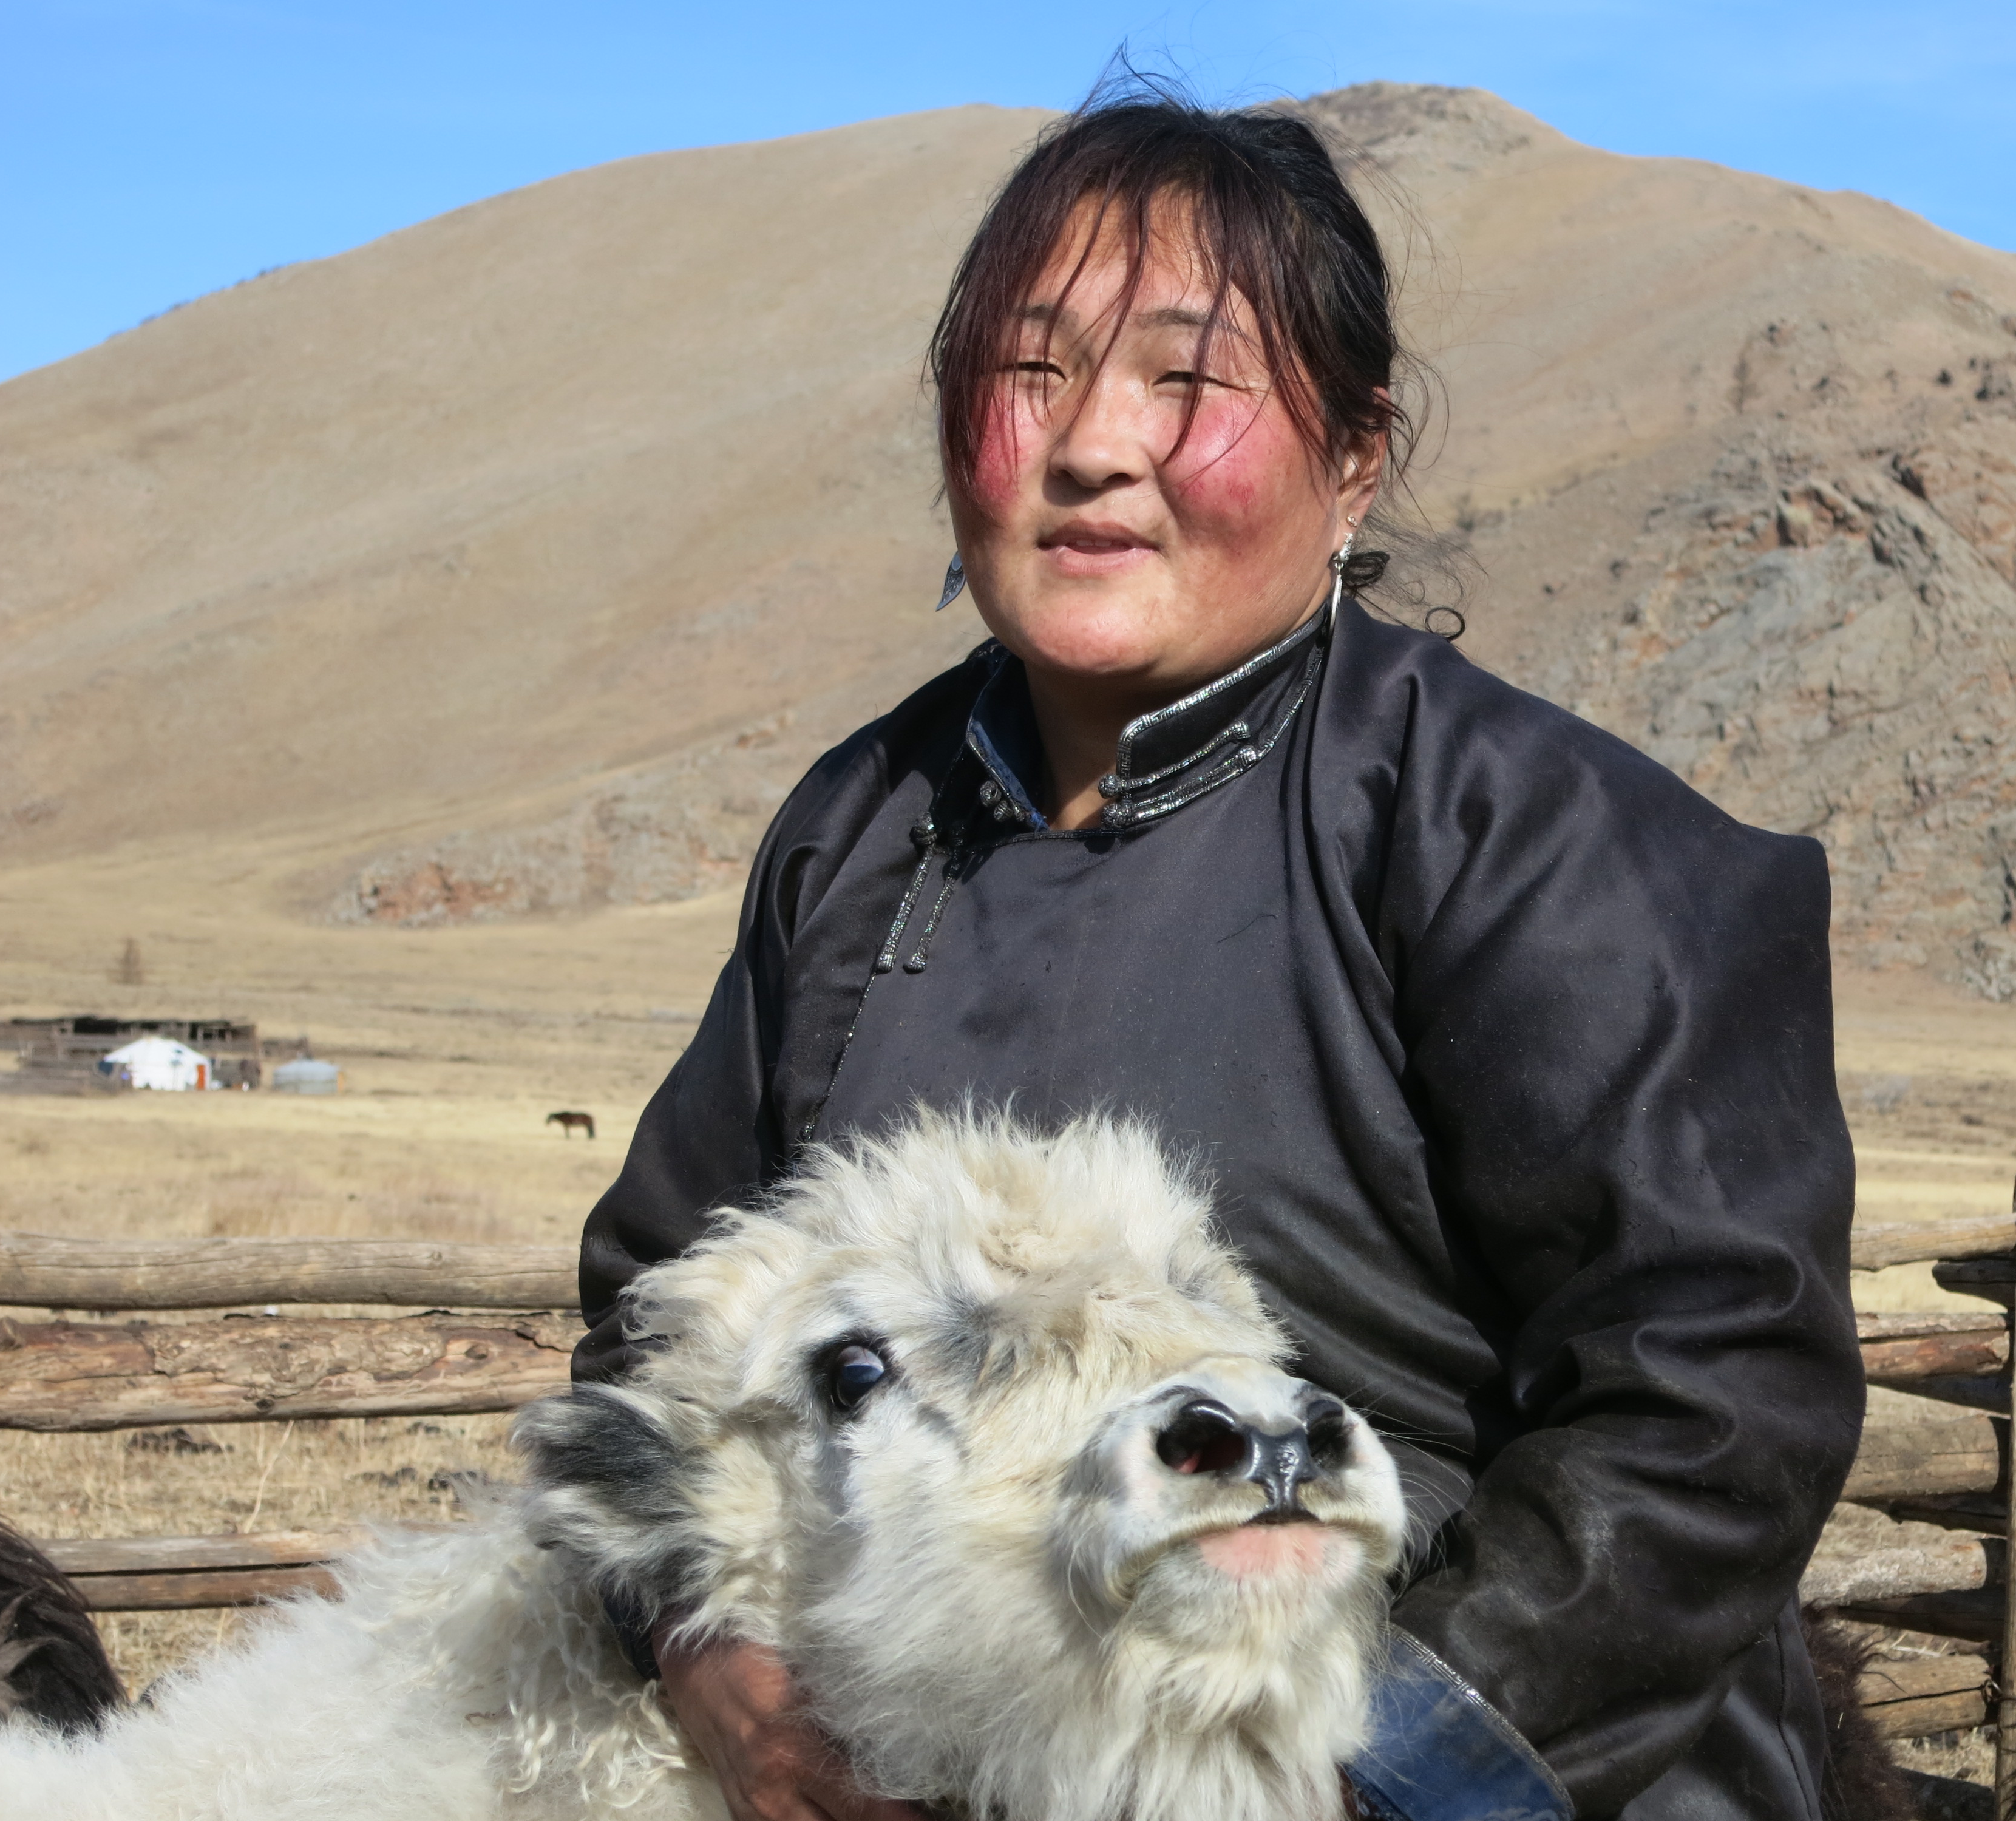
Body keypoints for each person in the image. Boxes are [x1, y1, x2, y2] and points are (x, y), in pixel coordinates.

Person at [574, 83, 1862, 1821]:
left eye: (1186, 382)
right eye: (1031, 372)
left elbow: (1714, 1403)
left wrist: (1346, 1776)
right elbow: (659, 1342)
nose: (1089, 445)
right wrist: (709, 1667)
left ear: (1353, 458)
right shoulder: (858, 833)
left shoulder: (1530, 836)